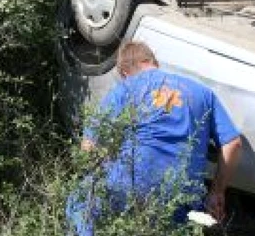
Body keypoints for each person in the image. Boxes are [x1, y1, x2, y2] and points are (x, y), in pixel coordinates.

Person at [66, 41, 242, 236]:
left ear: (124, 73)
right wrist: (217, 191)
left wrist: (96, 172)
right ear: (154, 62)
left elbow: (89, 146)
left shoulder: (126, 88)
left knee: (79, 200)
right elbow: (233, 143)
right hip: (182, 194)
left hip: (133, 187)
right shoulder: (203, 93)